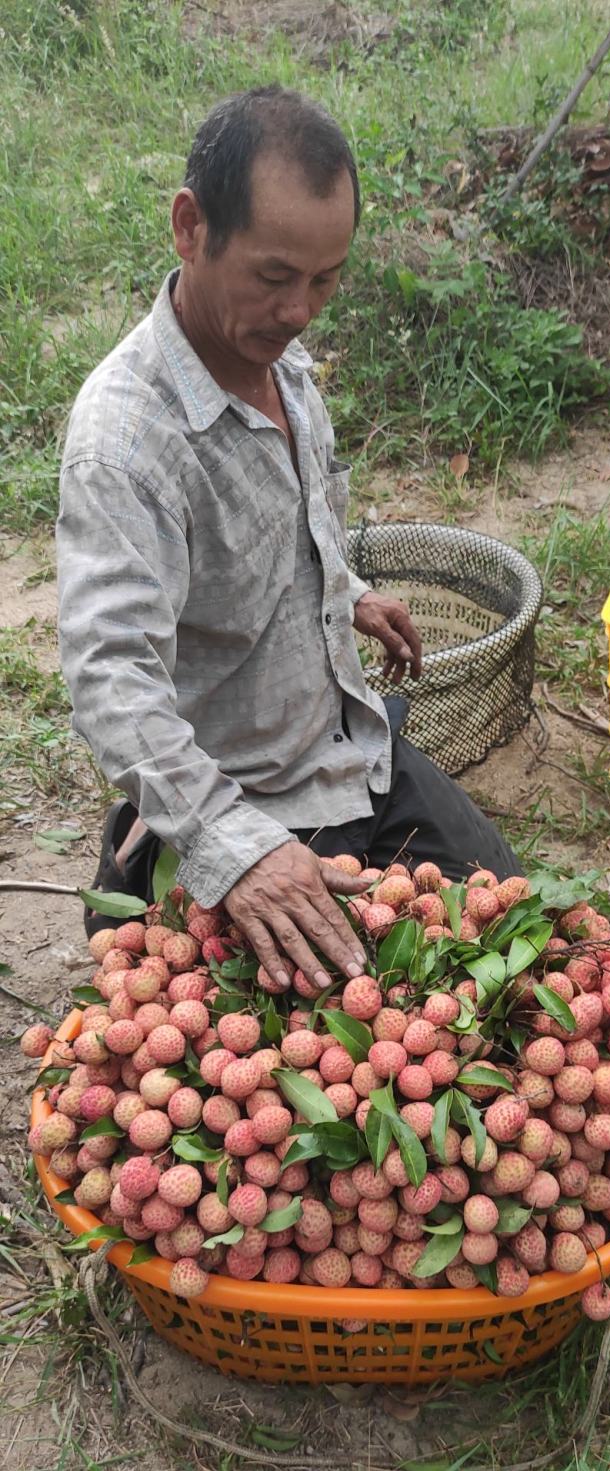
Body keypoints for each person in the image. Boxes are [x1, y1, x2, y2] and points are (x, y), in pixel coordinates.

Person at [57, 85, 521, 993]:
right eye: (276, 277)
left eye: (326, 279)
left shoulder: (283, 363)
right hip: (247, 796)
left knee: (521, 940)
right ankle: (147, 859)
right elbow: (112, 678)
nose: (302, 310)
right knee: (350, 1040)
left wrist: (346, 594)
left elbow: (281, 536)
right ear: (190, 227)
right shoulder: (126, 445)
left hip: (353, 750)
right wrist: (237, 851)